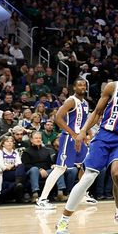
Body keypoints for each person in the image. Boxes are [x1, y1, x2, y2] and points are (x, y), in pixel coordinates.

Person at [55, 57, 118, 234]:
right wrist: (83, 131)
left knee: (117, 173)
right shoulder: (113, 87)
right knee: (88, 178)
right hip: (104, 136)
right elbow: (97, 112)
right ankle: (64, 220)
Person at [37, 78, 93, 210]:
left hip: (80, 138)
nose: (82, 87)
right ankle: (42, 199)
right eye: (79, 85)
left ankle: (83, 195)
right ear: (74, 87)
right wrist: (73, 134)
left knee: (85, 166)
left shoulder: (85, 102)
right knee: (60, 168)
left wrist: (89, 134)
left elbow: (85, 121)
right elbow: (58, 118)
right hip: (69, 138)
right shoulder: (70, 101)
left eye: (84, 85)